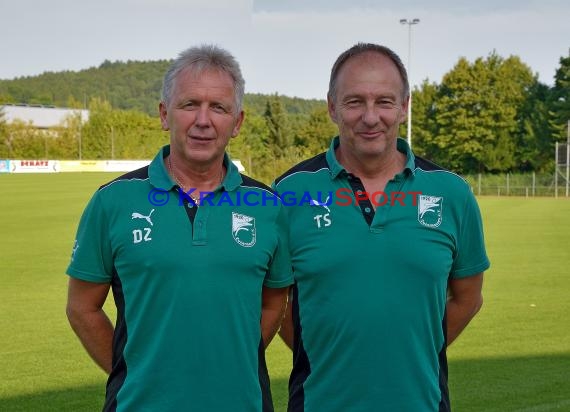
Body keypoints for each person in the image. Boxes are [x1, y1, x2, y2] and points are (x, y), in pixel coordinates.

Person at [66, 44, 293, 412]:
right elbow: (82, 307)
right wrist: (136, 371)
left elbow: (274, 302)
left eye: (218, 108)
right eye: (190, 104)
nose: (203, 120)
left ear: (237, 123)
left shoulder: (268, 206)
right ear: (164, 114)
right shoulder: (112, 201)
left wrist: (231, 364)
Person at [273, 43, 490, 412]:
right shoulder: (289, 193)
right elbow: (274, 302)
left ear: (404, 106)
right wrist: (328, 355)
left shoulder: (451, 192)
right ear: (332, 107)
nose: (370, 117)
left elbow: (468, 297)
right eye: (354, 101)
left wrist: (414, 353)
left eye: (384, 102)